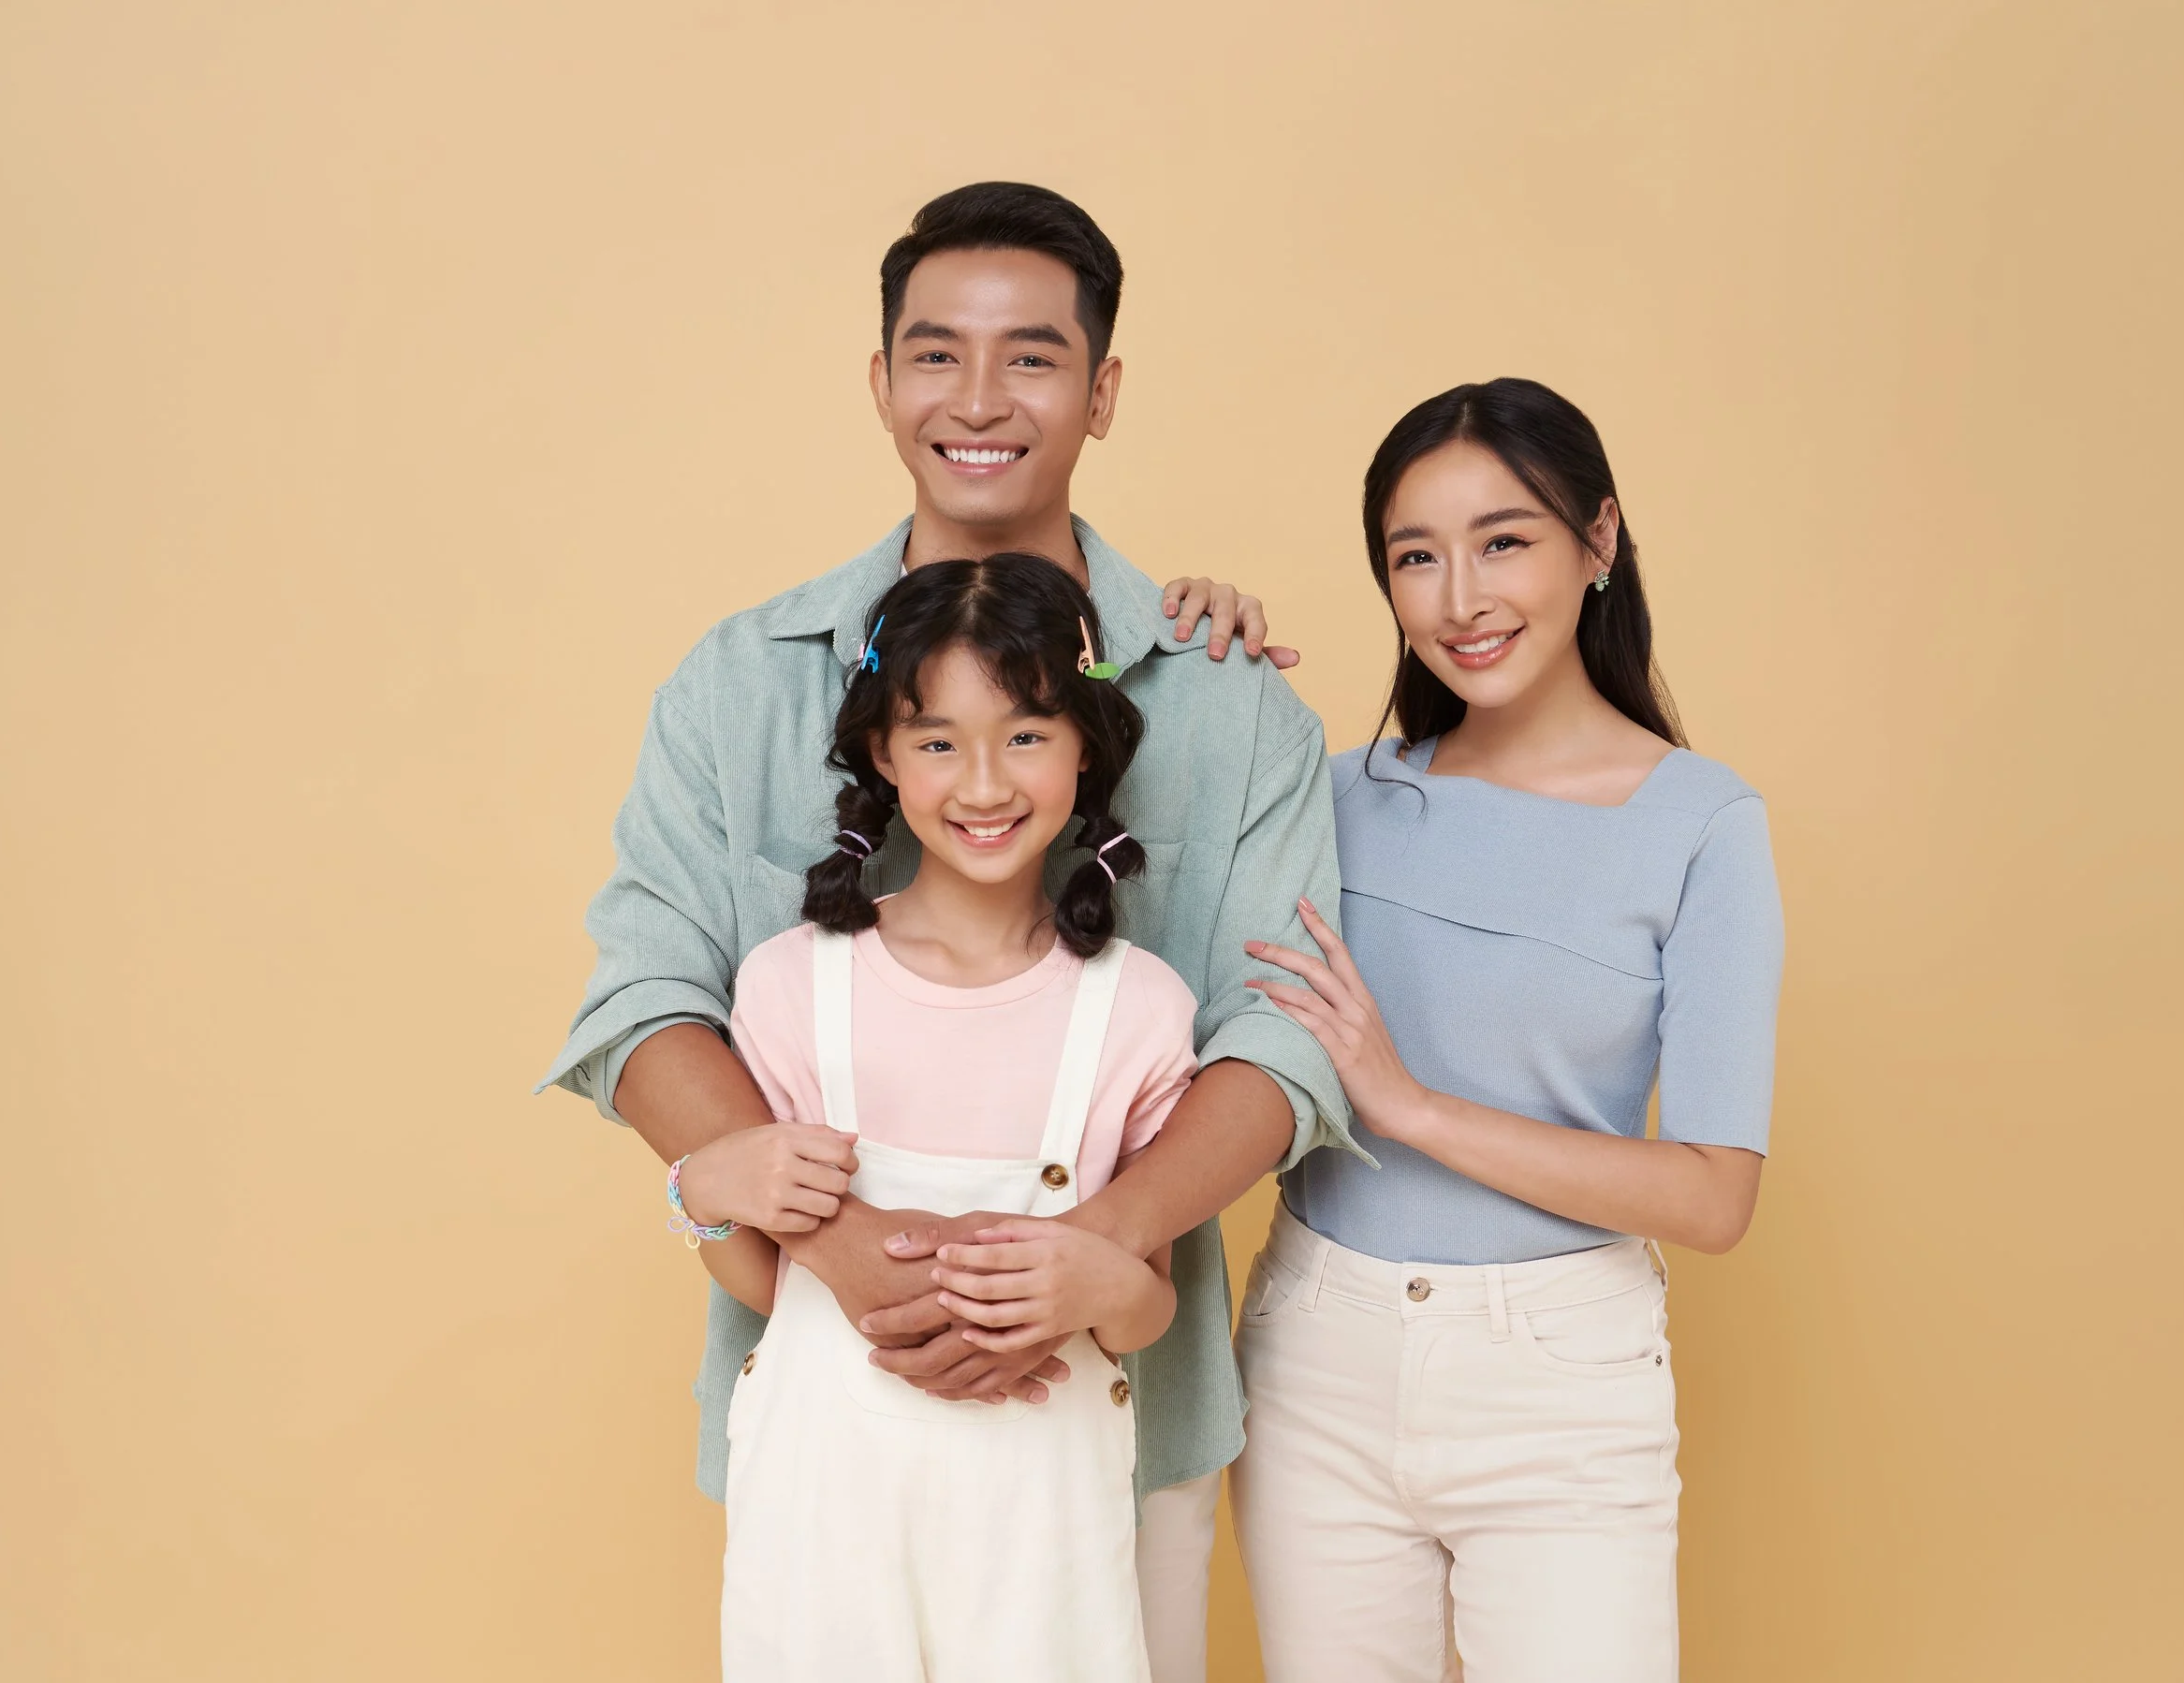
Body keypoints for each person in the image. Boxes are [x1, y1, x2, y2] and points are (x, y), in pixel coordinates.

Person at [535, 182, 1350, 1682]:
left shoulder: (1230, 699)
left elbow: (1286, 1036)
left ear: (1102, 391)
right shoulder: (736, 681)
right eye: (935, 354)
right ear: (881, 380)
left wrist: (1096, 1247)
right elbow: (645, 1000)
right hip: (821, 1415)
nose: (980, 399)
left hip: (1121, 1419)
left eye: (1034, 357)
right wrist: (843, 1249)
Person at [1230, 378, 1785, 1681]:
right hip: (1317, 1346)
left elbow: (1713, 1196)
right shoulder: (1330, 796)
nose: (1460, 598)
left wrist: (1411, 1104)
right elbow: (1067, 782)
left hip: (1560, 1381)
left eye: (1504, 540)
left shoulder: (1703, 823)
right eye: (1414, 556)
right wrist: (1176, 644)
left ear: (1599, 541)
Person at [709, 551, 1194, 1679]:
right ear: (883, 754)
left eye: (1026, 734)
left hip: (1045, 1540)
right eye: (937, 741)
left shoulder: (1137, 1010)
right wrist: (705, 1189)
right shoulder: (791, 984)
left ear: (1087, 747)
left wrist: (1090, 1282)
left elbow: (1142, 1310)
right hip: (820, 1524)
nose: (984, 783)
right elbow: (760, 1281)